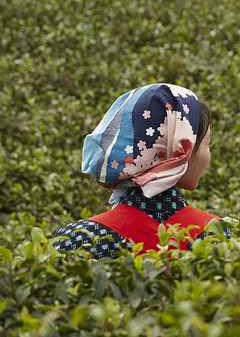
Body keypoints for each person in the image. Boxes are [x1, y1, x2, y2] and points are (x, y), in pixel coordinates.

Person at [54, 83, 221, 258]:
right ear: (180, 149)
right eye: (206, 143)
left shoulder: (77, 239)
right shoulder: (222, 237)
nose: (207, 157)